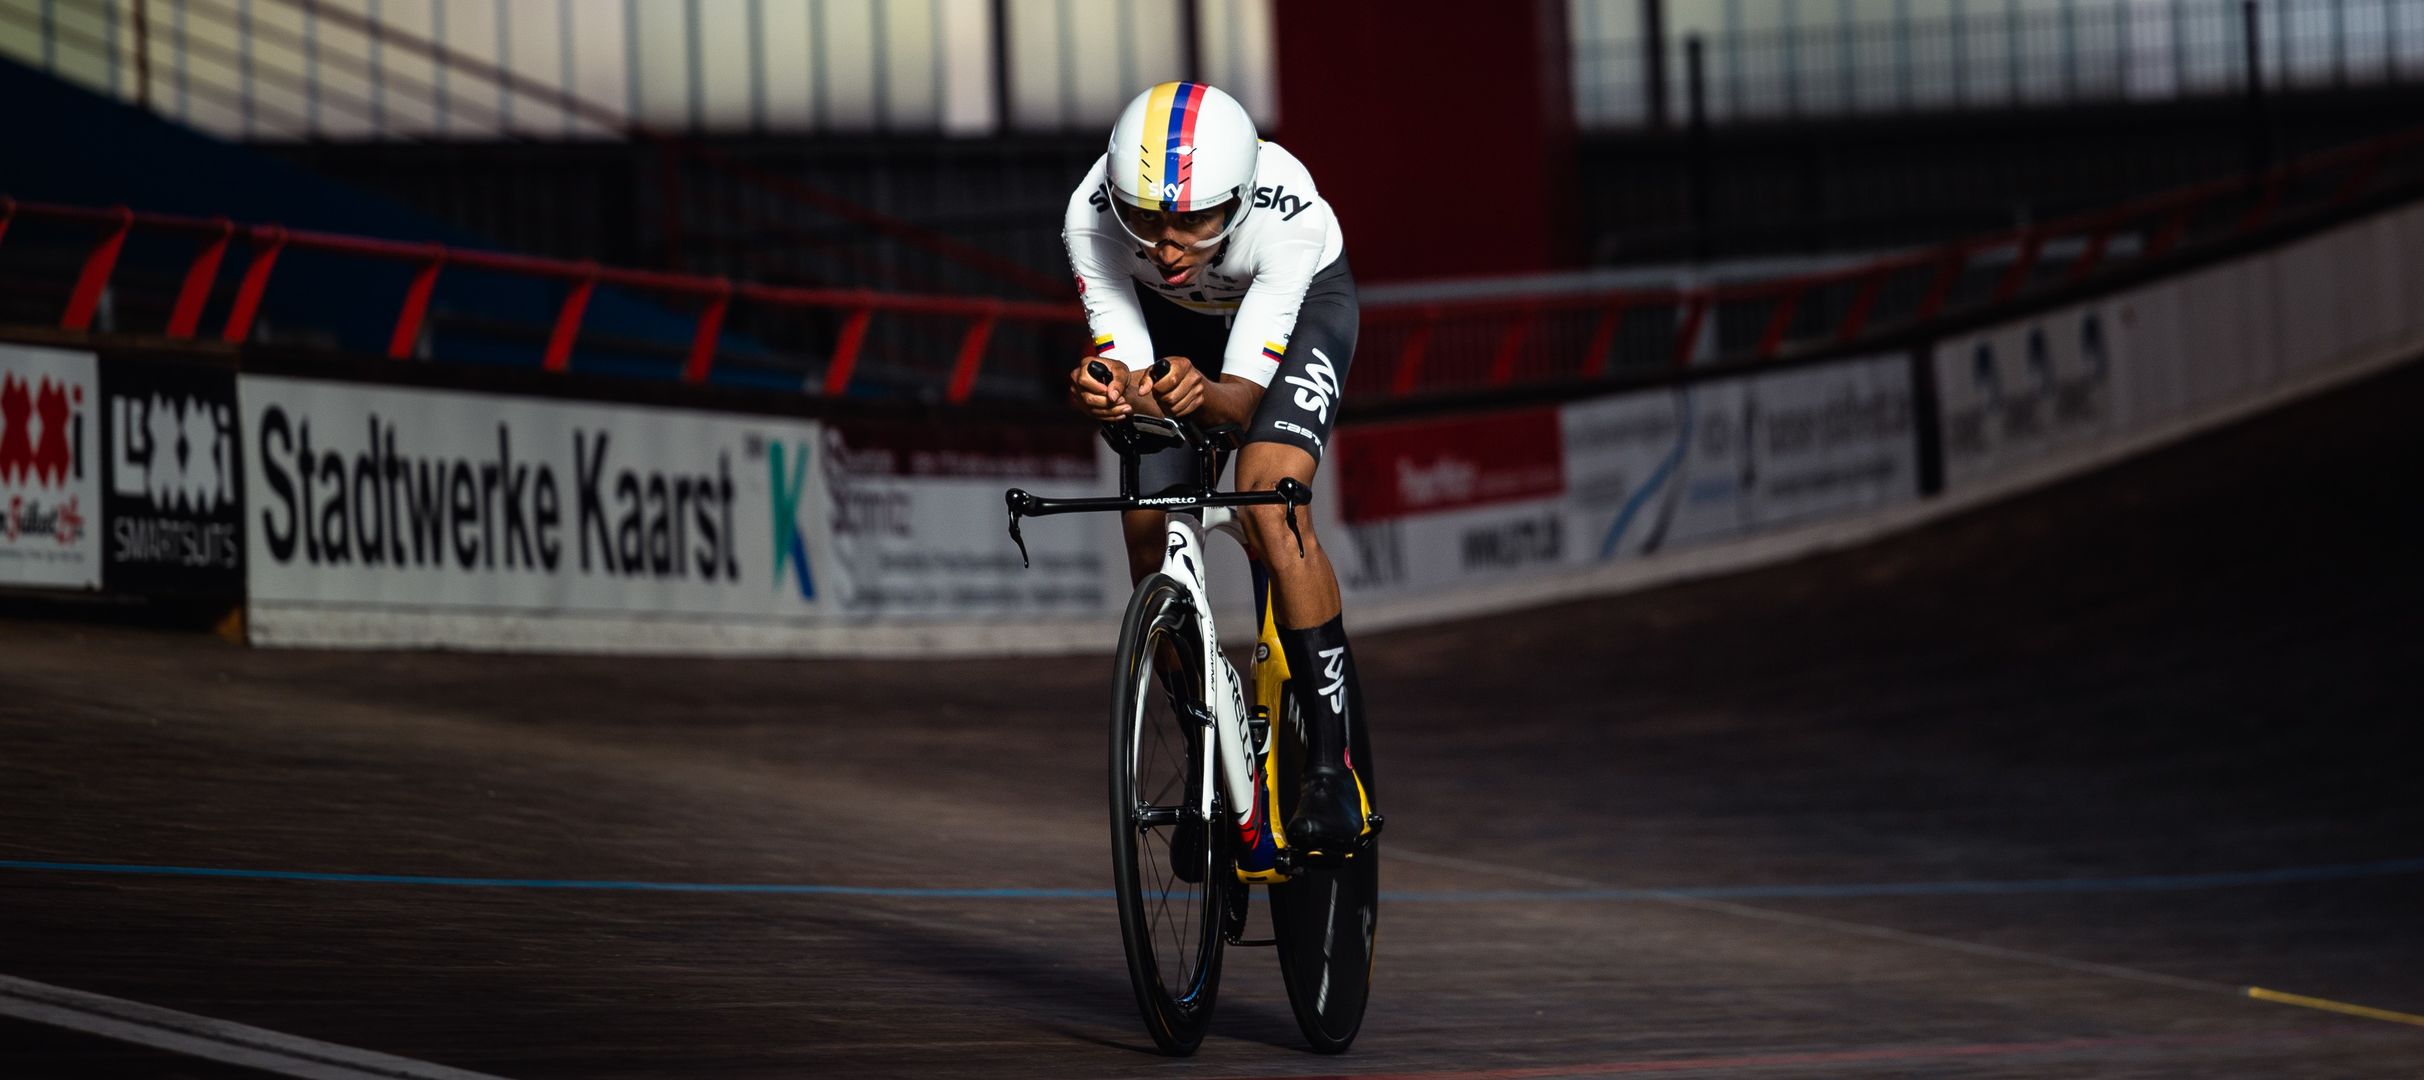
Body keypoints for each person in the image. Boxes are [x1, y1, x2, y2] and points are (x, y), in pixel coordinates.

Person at [1062, 81, 1370, 860]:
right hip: (1175, 321)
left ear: (1235, 200)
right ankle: (1209, 746)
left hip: (1295, 315)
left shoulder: (1286, 214)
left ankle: (1333, 769)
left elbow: (1236, 409)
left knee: (1272, 500)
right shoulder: (1089, 213)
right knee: (1146, 530)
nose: (1164, 245)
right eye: (1147, 220)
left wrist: (1205, 395)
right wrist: (1106, 393)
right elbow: (1127, 373)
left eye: (1191, 221)